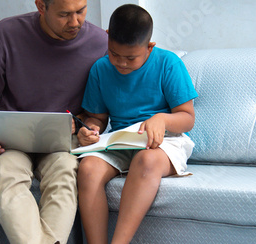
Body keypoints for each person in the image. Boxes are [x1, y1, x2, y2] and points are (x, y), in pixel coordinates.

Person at [0, 0, 107, 243]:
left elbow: (97, 114)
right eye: (64, 14)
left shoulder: (100, 43)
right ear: (41, 6)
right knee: (6, 172)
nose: (75, 22)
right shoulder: (7, 34)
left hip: (61, 143)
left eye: (81, 11)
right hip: (9, 143)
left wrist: (86, 126)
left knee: (66, 172)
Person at [76, 4, 198, 244]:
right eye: (114, 54)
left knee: (145, 159)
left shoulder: (168, 64)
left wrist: (161, 119)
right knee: (88, 168)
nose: (121, 63)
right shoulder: (101, 68)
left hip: (164, 142)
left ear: (149, 46)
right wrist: (91, 128)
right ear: (108, 37)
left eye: (130, 58)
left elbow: (187, 118)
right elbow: (97, 117)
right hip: (121, 140)